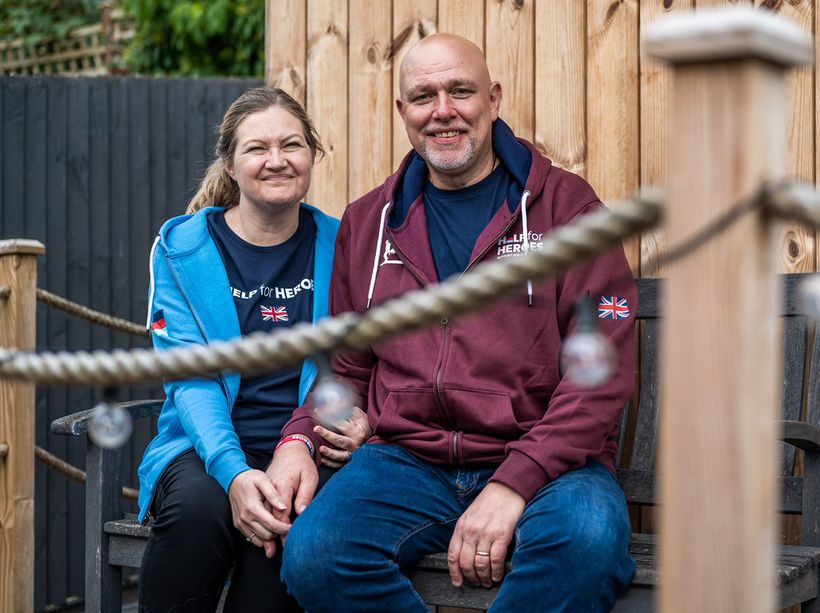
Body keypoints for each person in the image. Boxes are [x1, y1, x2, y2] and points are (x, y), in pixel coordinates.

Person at [268, 34, 637, 611]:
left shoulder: (570, 211)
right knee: (317, 553)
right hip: (406, 460)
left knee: (587, 543)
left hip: (552, 463)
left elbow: (602, 374)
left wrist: (514, 482)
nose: (443, 111)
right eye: (423, 96)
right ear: (402, 112)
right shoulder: (369, 223)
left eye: (460, 91)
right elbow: (343, 369)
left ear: (493, 98)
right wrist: (298, 437)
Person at [136, 87, 365, 613]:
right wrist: (234, 471)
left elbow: (356, 363)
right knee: (199, 509)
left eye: (292, 145)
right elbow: (190, 378)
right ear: (230, 165)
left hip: (311, 446)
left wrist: (344, 428)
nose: (277, 160)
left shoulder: (343, 244)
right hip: (204, 446)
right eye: (257, 148)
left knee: (291, 519)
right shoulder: (182, 248)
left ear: (313, 155)